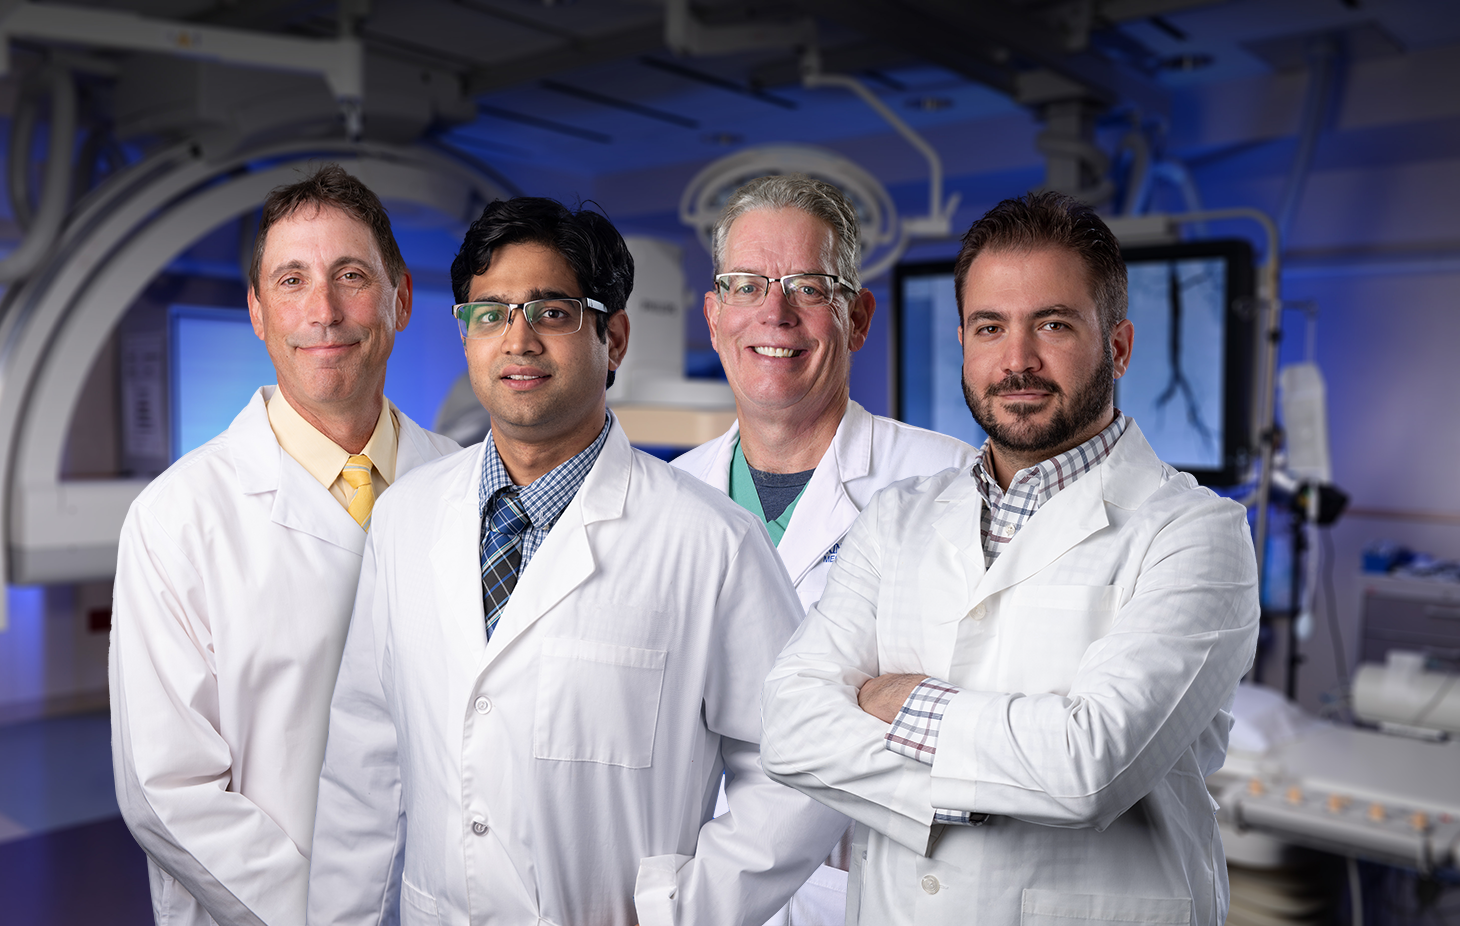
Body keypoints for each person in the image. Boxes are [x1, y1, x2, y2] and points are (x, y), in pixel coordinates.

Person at [306, 197, 847, 926]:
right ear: (466, 337)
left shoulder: (709, 542)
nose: (517, 340)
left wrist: (686, 910)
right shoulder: (406, 518)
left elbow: (803, 765)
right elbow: (362, 766)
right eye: (489, 313)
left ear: (613, 337)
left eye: (552, 312)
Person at [761, 191, 1259, 926]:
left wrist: (900, 702)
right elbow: (791, 727)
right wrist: (995, 772)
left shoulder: (1195, 534)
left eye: (1052, 324)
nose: (1017, 360)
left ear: (1117, 346)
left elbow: (1088, 770)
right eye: (990, 327)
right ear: (962, 342)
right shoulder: (898, 518)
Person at [110, 164, 458, 925]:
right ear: (259, 313)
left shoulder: (469, 486)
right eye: (292, 280)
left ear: (399, 299)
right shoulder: (178, 518)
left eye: (351, 276)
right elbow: (164, 791)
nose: (324, 311)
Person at [672, 174, 971, 922]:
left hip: (875, 891)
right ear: (714, 317)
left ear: (858, 317)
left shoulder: (951, 483)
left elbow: (988, 714)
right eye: (745, 286)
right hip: (700, 884)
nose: (774, 313)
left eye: (808, 286)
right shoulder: (668, 498)